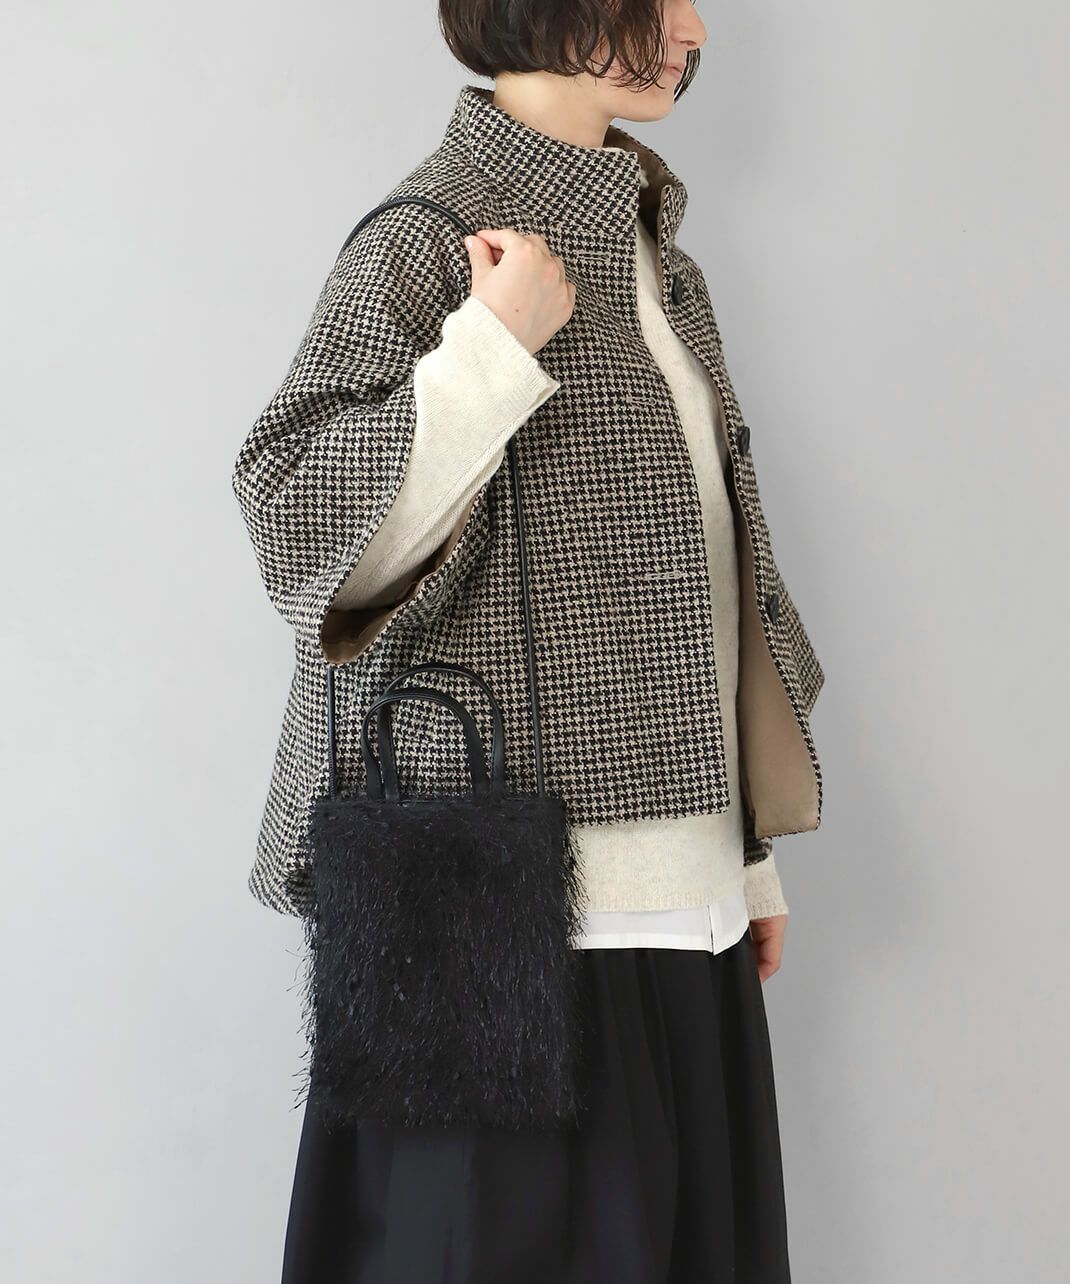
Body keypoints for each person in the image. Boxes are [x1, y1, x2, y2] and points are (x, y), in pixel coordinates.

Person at [232, 2, 826, 1279]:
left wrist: (743, 857)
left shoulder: (652, 252)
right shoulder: (429, 238)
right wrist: (487, 350)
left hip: (680, 914)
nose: (693, 25)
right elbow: (297, 523)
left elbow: (698, 573)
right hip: (500, 929)